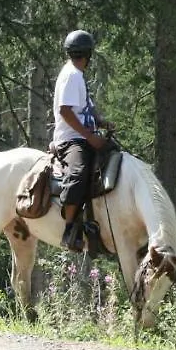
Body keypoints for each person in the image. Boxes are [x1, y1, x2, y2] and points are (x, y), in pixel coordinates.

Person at [52, 29, 109, 252]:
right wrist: (90, 137)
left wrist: (101, 124)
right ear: (89, 54)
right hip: (72, 139)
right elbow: (65, 111)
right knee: (78, 172)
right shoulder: (71, 75)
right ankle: (69, 229)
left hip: (84, 136)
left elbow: (82, 108)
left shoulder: (77, 75)